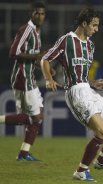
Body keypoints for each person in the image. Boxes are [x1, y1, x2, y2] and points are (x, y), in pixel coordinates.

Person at [40, 8, 103, 182]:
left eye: (97, 25)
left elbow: (82, 72)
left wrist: (93, 84)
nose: (96, 29)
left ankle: (102, 161)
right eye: (94, 25)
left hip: (88, 89)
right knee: (101, 131)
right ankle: (81, 171)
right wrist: (48, 79)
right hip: (75, 93)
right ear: (84, 23)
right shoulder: (67, 41)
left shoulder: (90, 45)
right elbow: (45, 60)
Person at [0, 2, 46, 161]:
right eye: (37, 13)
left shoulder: (37, 32)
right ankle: (23, 154)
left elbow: (31, 57)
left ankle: (24, 153)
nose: (40, 16)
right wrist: (37, 57)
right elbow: (14, 52)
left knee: (35, 116)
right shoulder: (26, 29)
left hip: (29, 77)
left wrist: (42, 66)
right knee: (34, 118)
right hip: (23, 77)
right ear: (31, 14)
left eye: (42, 14)